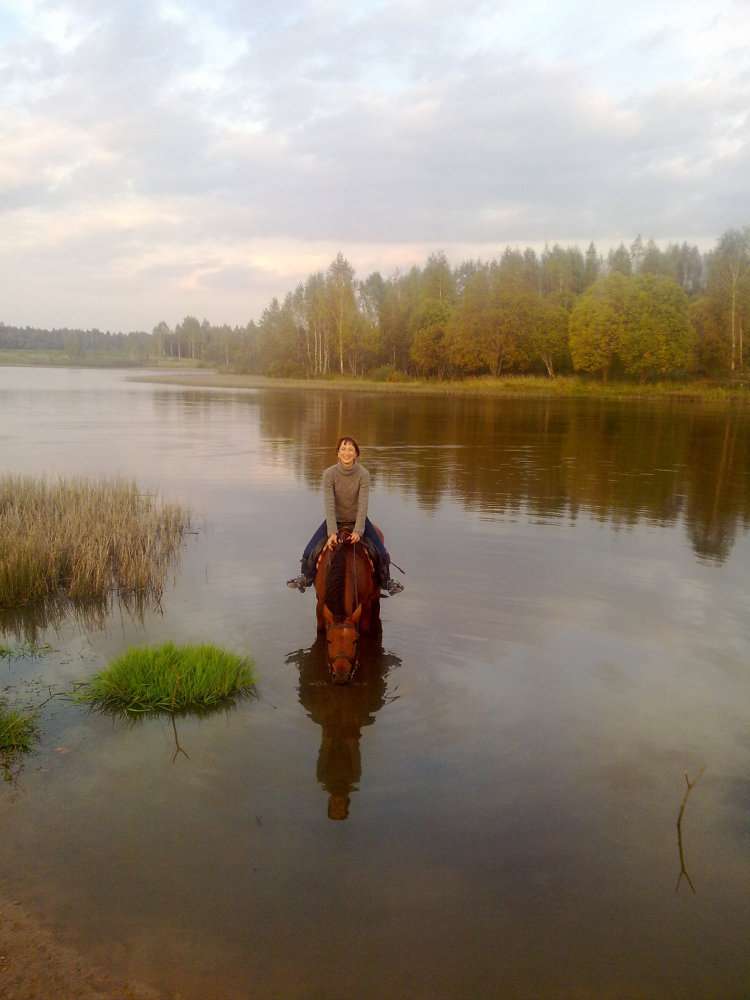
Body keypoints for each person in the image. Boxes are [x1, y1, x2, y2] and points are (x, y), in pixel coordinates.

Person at [287, 436, 404, 596]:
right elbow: (329, 504)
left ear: (356, 453)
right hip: (335, 519)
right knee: (308, 552)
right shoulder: (329, 474)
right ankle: (305, 577)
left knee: (382, 554)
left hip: (358, 520)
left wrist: (358, 531)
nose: (347, 453)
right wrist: (332, 533)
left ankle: (386, 582)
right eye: (343, 449)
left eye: (350, 449)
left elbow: (363, 505)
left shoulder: (363, 474)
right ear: (338, 453)